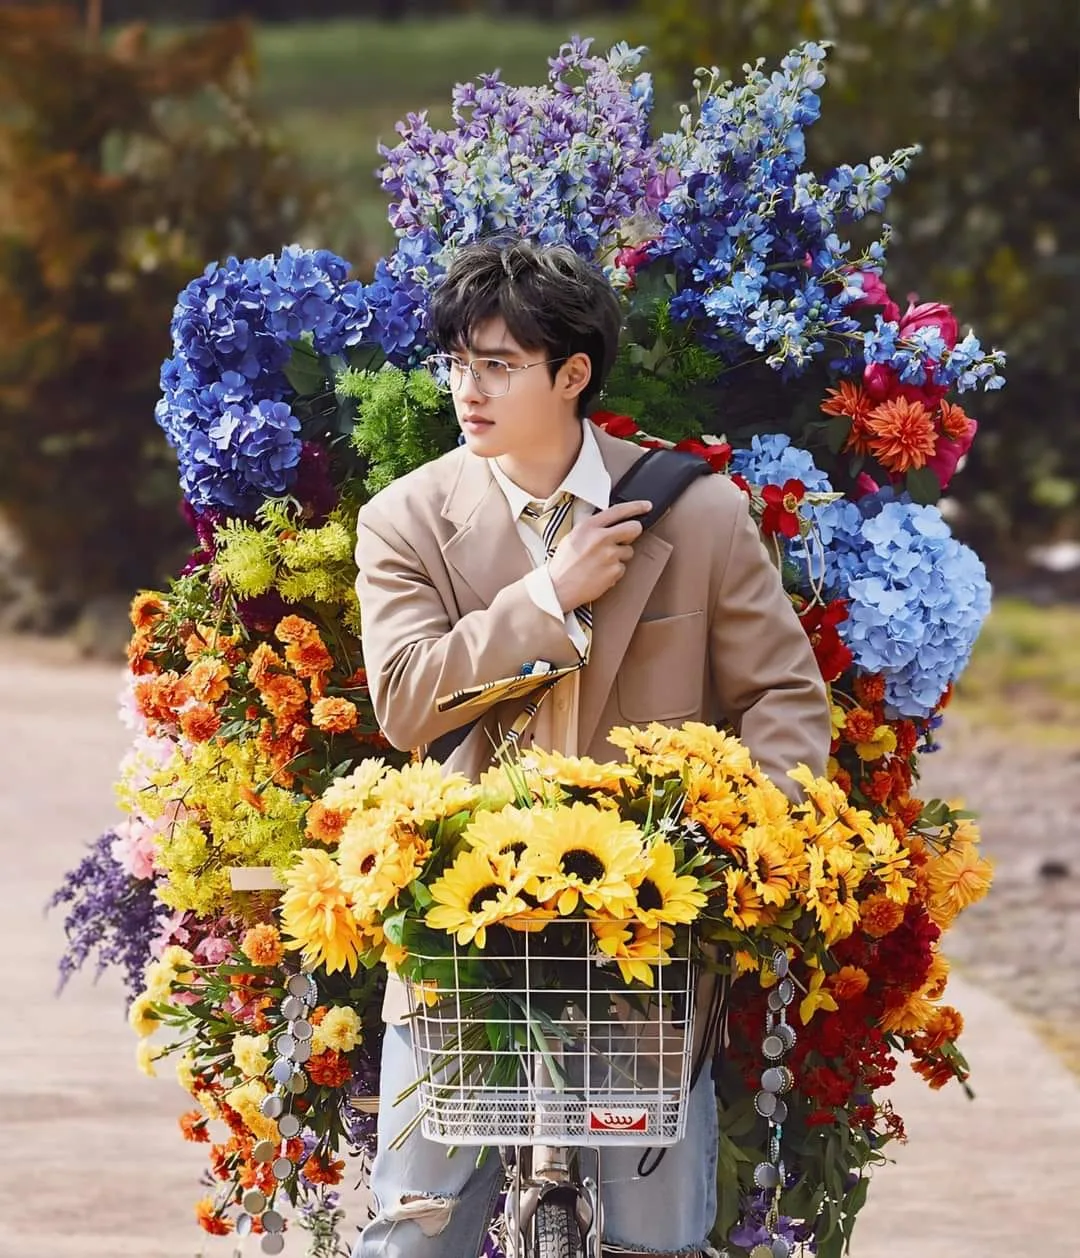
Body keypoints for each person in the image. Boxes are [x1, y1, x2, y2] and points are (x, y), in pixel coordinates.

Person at [351, 237, 831, 1258]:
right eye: (455, 362)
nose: (467, 389)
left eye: (497, 365)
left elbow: (783, 697)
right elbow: (404, 701)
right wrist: (547, 595)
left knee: (657, 1237)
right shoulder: (407, 520)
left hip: (647, 933)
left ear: (573, 374)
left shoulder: (698, 513)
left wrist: (753, 838)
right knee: (413, 1229)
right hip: (460, 931)